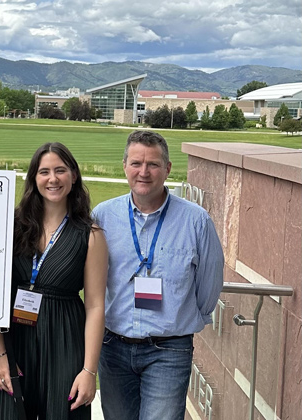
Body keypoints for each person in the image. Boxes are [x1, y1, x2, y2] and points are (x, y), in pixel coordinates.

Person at [93, 130, 224, 420]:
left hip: (169, 350)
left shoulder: (196, 221)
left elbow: (210, 284)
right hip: (113, 347)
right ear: (124, 166)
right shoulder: (103, 216)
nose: (144, 172)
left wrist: (186, 321)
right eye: (136, 163)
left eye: (152, 164)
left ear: (167, 169)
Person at [0, 142, 108, 419]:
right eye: (44, 172)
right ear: (34, 178)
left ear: (73, 175)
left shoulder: (90, 234)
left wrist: (89, 371)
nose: (52, 179)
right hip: (15, 341)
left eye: (60, 170)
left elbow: (95, 306)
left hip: (65, 341)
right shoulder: (11, 226)